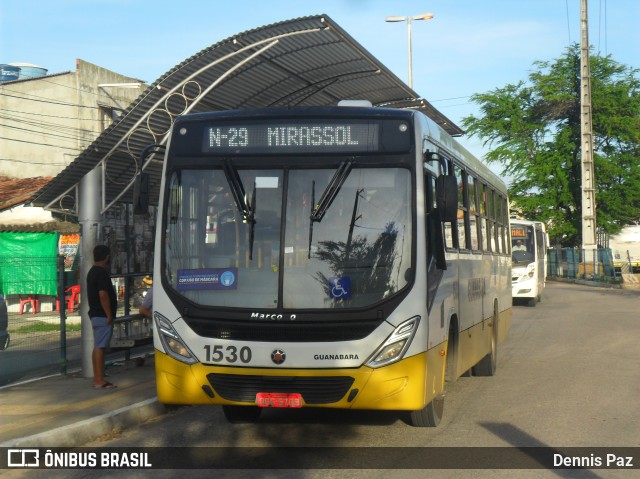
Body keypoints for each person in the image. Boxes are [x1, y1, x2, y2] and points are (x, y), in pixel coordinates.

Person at [87, 244, 118, 389]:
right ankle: (99, 380)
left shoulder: (92, 272)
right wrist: (109, 314)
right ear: (106, 257)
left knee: (97, 346)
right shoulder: (101, 273)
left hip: (95, 314)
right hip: (102, 315)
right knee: (101, 347)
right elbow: (103, 295)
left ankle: (97, 377)